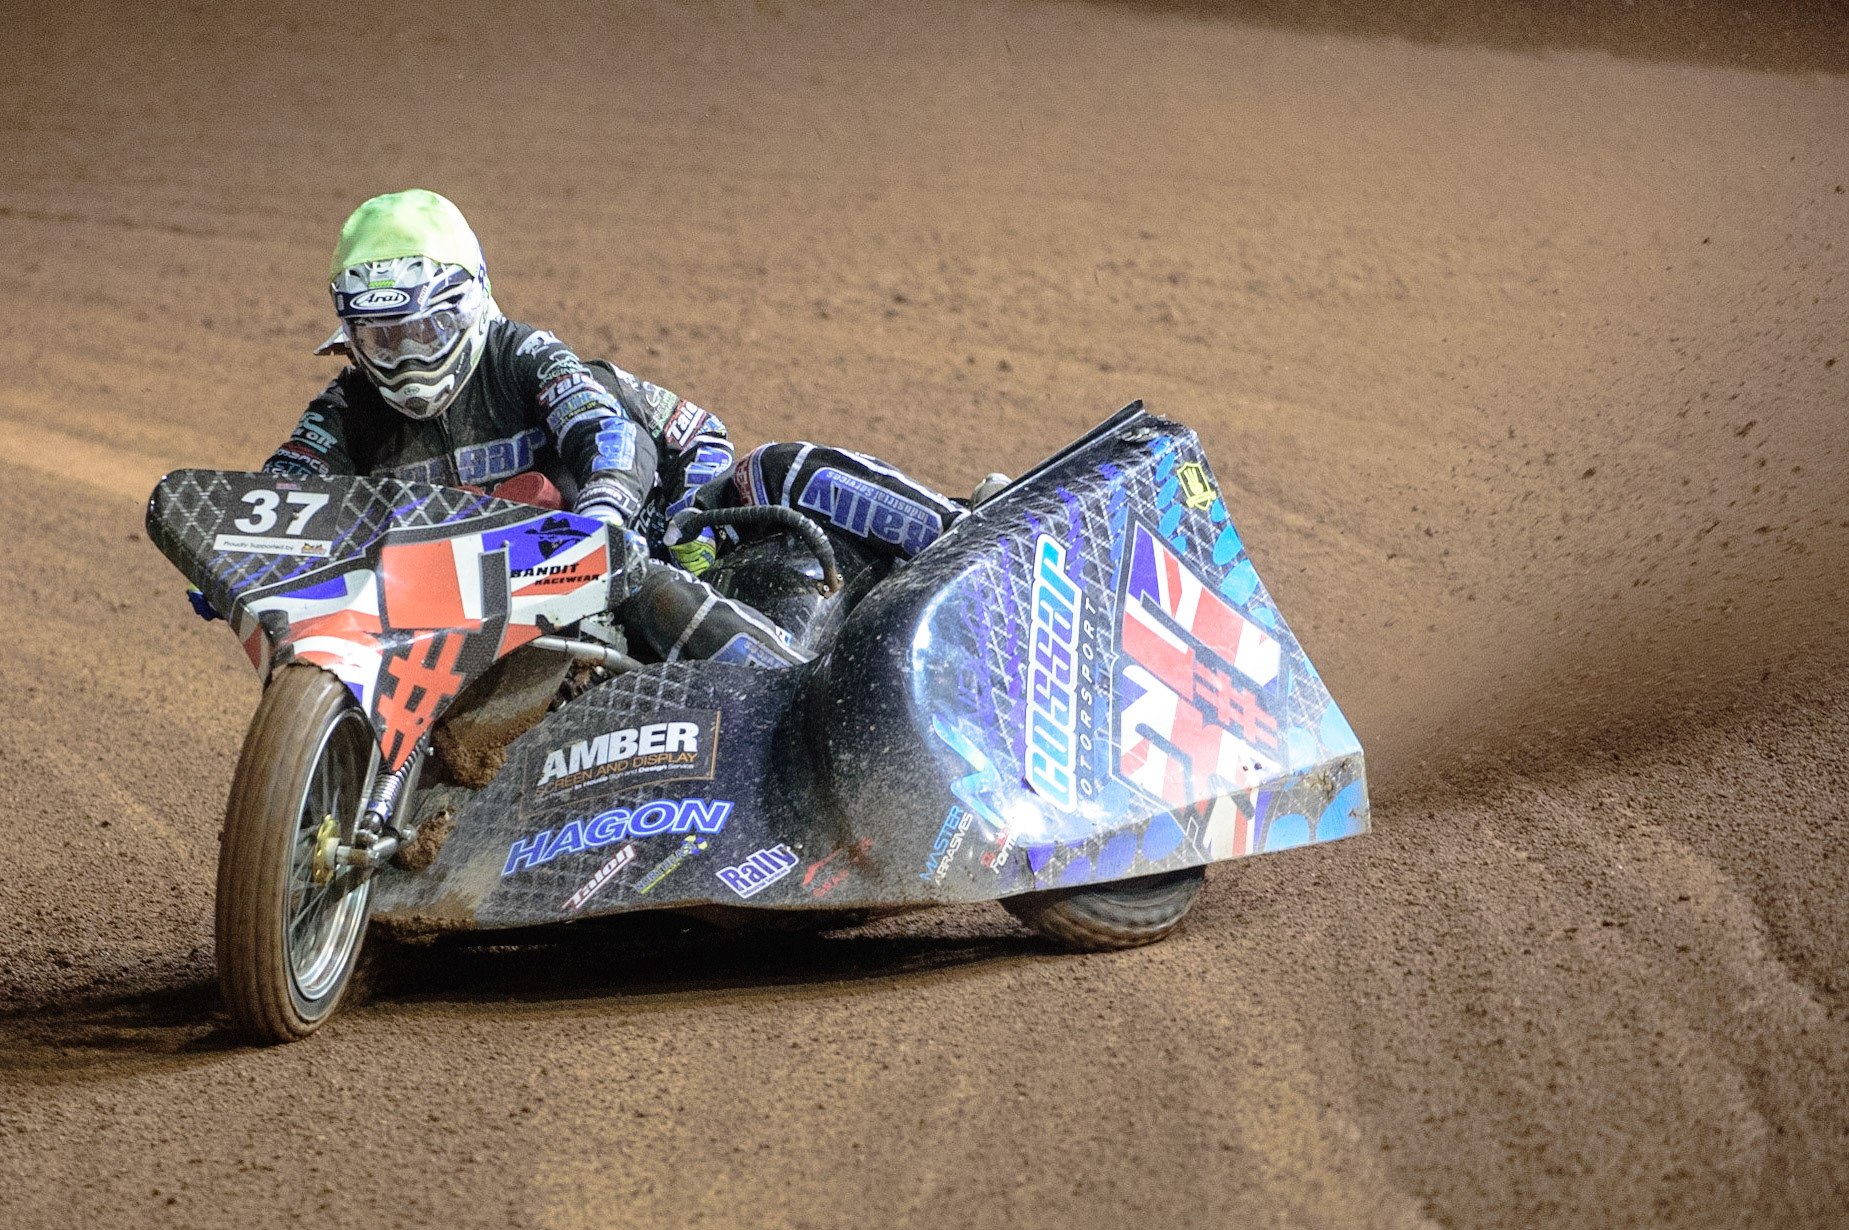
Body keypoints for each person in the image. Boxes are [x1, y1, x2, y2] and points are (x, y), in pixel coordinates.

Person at [218, 188, 984, 665]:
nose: (410, 357)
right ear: (352, 336)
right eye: (386, 338)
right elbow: (284, 483)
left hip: (666, 521)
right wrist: (236, 560)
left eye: (430, 327)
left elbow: (611, 435)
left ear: (474, 300)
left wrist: (606, 516)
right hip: (503, 599)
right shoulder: (349, 406)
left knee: (779, 469)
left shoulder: (523, 354)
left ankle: (968, 538)